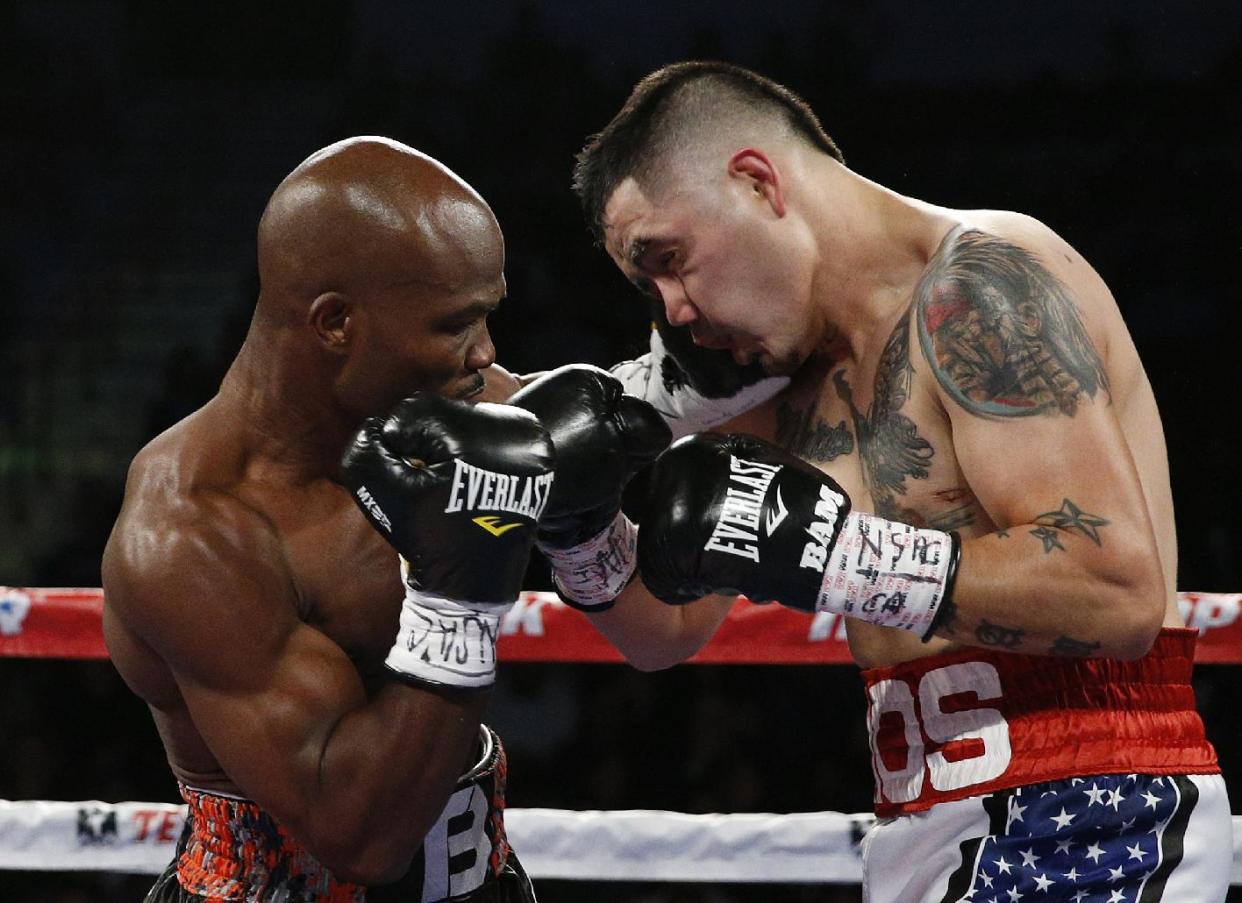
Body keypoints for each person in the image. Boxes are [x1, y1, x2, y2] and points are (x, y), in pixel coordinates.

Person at [563, 62, 1232, 902]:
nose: (674, 311)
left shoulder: (981, 286)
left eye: (669, 259)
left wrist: (839, 557)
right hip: (921, 821)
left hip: (1095, 806)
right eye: (646, 285)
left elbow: (1115, 590)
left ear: (756, 181)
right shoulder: (772, 373)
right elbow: (661, 630)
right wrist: (576, 522)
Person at [101, 134, 775, 901]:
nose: (485, 352)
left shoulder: (462, 413)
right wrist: (458, 594)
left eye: (488, 315)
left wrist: (685, 519)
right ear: (334, 324)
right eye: (457, 323)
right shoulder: (193, 533)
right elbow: (361, 834)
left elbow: (659, 632)